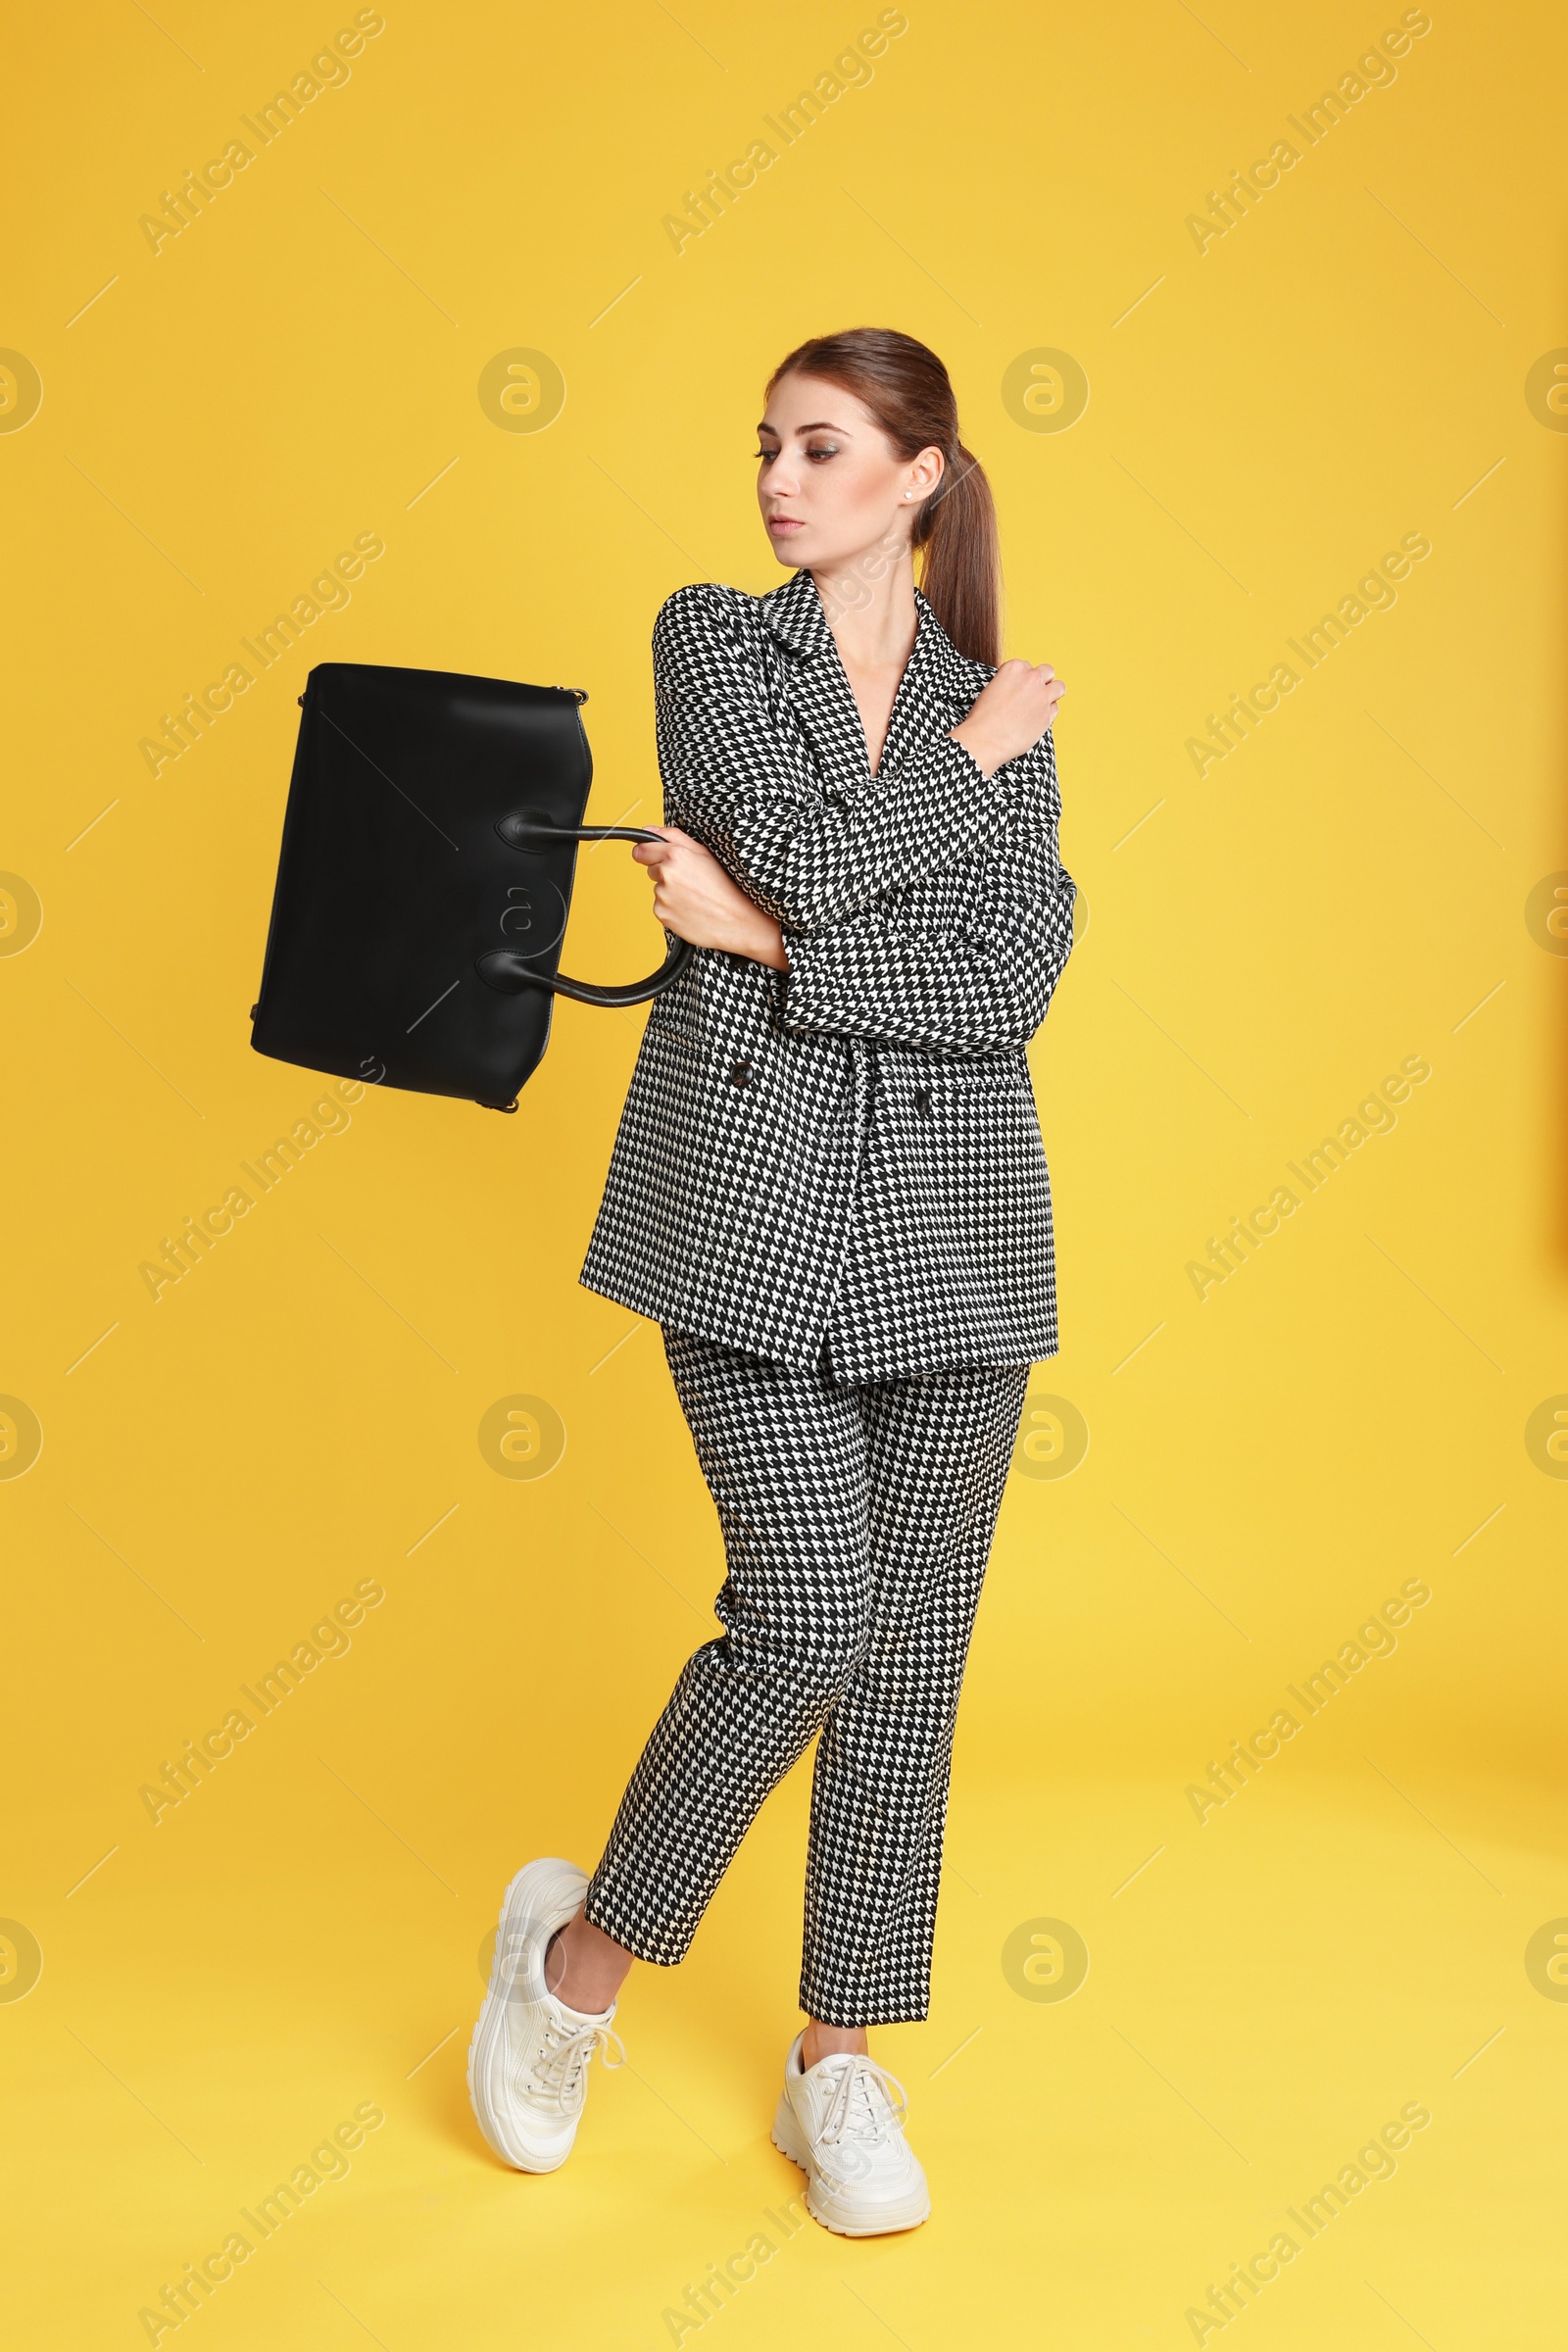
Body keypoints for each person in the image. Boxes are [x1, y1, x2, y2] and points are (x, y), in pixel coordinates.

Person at [467, 326, 1075, 2235]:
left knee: (907, 1666)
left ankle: (841, 2062)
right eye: (765, 448)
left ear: (920, 475)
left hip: (955, 1247)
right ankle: (569, 1971)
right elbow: (804, 849)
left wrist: (770, 942)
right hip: (742, 1212)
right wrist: (915, 808)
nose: (776, 480)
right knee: (803, 1619)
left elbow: (1003, 989)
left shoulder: (1004, 703)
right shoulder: (716, 648)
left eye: (821, 449)